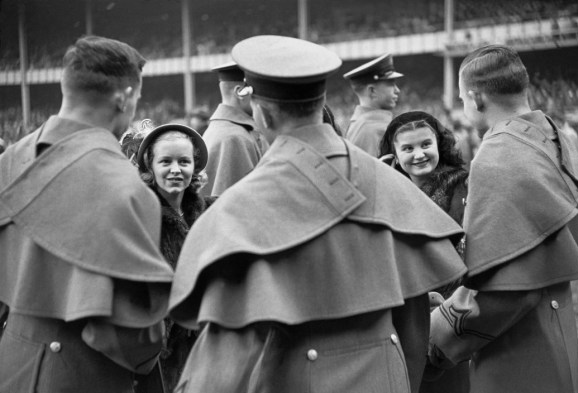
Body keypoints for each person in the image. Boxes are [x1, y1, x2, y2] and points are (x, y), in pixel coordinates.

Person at [168, 35, 467, 393]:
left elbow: (223, 363)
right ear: (321, 101)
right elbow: (414, 327)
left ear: (260, 111)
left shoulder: (241, 207)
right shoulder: (391, 183)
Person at [0, 36, 173, 393]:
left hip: (11, 362)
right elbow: (128, 332)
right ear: (124, 97)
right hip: (83, 375)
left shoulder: (8, 160)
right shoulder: (125, 187)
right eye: (136, 99)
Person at [428, 44, 578, 393]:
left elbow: (504, 291)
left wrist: (436, 338)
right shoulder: (550, 131)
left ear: (476, 98)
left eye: (461, 98)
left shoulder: (497, 152)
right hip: (554, 321)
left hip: (518, 348)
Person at [379, 111, 469, 393]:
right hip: (401, 311)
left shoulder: (461, 185)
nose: (419, 154)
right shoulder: (386, 187)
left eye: (425, 145)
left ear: (439, 145)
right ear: (393, 153)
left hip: (448, 311)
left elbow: (464, 250)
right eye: (407, 148)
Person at [134, 121, 214, 392]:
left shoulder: (206, 212)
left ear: (196, 166)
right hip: (159, 355)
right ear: (150, 166)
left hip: (205, 346)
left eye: (184, 161)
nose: (176, 170)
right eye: (166, 161)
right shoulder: (141, 216)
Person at [201, 61, 268, 197]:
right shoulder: (234, 138)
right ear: (240, 92)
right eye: (261, 91)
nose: (265, 98)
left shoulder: (228, 129)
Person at [344, 53, 403, 157]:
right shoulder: (370, 130)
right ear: (372, 91)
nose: (397, 90)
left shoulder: (365, 123)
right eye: (391, 84)